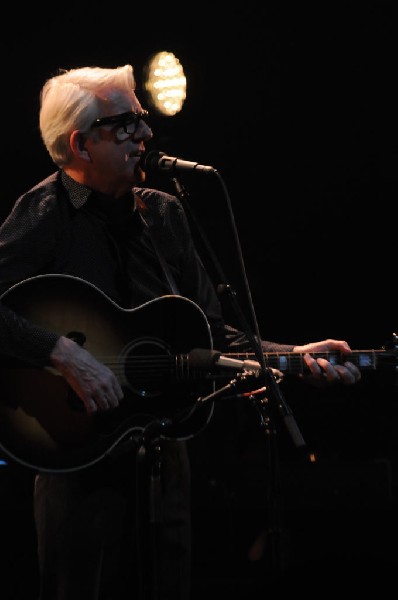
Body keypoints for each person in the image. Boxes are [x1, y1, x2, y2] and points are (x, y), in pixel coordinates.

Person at [0, 64, 361, 600]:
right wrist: (63, 355)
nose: (146, 135)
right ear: (80, 144)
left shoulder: (164, 214)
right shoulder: (45, 212)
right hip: (75, 459)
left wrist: (292, 355)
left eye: (142, 120)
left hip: (166, 457)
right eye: (126, 124)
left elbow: (211, 336)